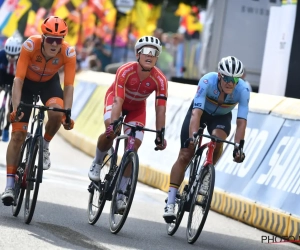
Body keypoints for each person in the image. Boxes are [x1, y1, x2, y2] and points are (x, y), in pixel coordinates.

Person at [163, 56, 249, 222]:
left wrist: (239, 146)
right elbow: (196, 113)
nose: (231, 83)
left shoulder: (243, 90)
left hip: (221, 118)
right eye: (227, 78)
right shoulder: (206, 81)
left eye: (235, 79)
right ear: (219, 75)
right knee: (185, 155)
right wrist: (194, 135)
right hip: (200, 113)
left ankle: (206, 175)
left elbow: (241, 121)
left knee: (218, 141)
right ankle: (171, 200)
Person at [88, 35, 168, 214]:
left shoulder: (160, 80)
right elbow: (117, 100)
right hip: (117, 101)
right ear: (138, 54)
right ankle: (98, 162)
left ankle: (122, 194)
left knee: (133, 147)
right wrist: (114, 123)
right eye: (146, 51)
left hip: (137, 109)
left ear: (157, 57)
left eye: (154, 53)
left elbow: (160, 109)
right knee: (112, 132)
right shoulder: (125, 70)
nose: (150, 55)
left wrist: (160, 134)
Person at [1, 16, 76, 206]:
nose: (54, 44)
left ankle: (44, 144)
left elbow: (68, 86)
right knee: (18, 135)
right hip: (26, 85)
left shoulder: (68, 52)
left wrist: (68, 112)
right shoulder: (29, 46)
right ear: (43, 37)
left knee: (57, 113)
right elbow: (18, 80)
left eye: (58, 40)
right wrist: (16, 108)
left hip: (48, 85)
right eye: (50, 39)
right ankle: (10, 184)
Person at [0, 37, 22, 142]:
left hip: (15, 80)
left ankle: (6, 128)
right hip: (2, 77)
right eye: (9, 55)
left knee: (12, 106)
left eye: (14, 56)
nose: (11, 58)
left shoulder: (22, 58)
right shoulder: (1, 54)